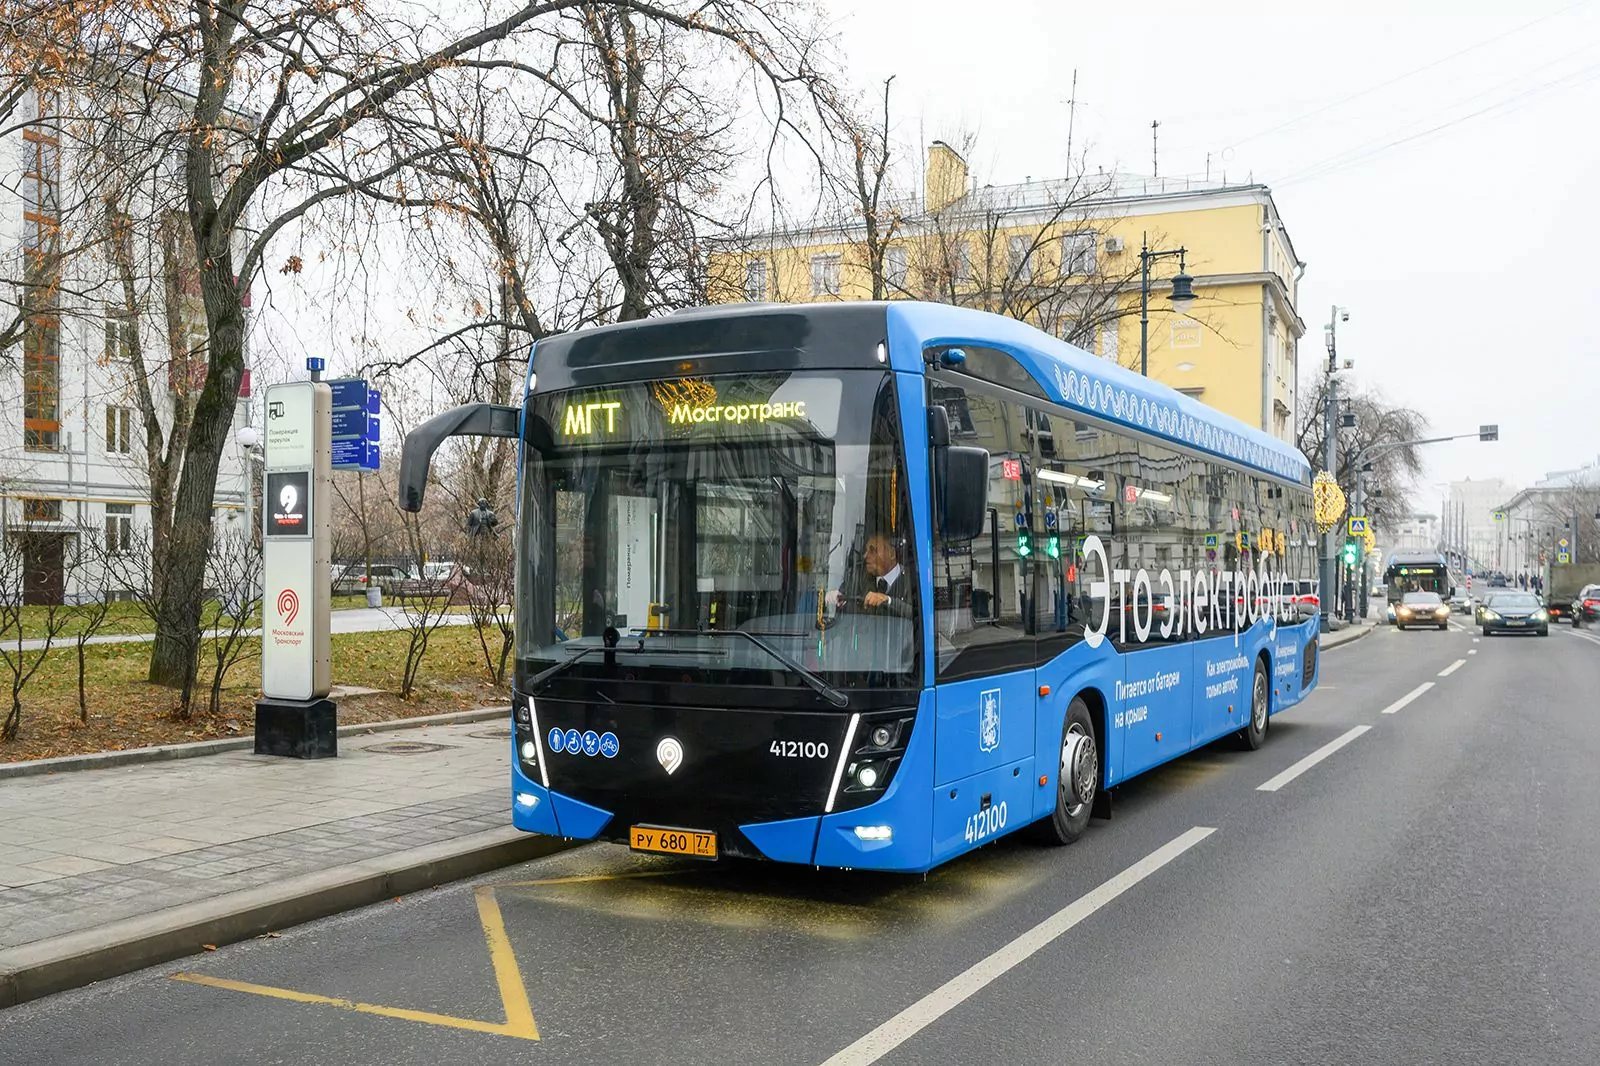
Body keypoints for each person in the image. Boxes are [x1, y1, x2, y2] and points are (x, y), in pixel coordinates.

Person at [831, 533, 914, 619]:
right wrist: (835, 598)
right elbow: (843, 596)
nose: (865, 556)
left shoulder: (913, 580)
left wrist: (889, 601)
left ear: (892, 553)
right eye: (866, 551)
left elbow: (917, 614)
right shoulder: (859, 577)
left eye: (872, 550)